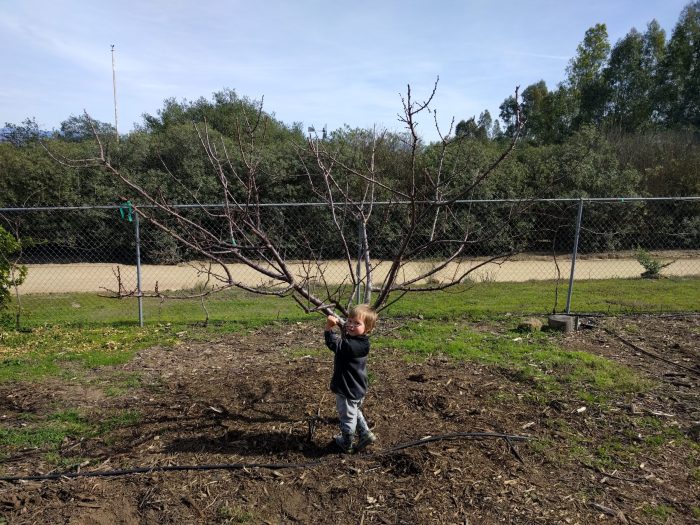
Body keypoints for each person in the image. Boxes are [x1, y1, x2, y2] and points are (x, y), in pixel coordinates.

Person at [324, 304, 378, 453]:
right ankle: (366, 433)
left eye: (357, 323)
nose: (351, 325)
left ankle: (347, 442)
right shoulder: (362, 342)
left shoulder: (352, 346)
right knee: (354, 410)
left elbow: (334, 344)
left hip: (348, 388)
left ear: (367, 329)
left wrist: (328, 328)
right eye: (349, 321)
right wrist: (344, 325)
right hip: (357, 387)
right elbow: (346, 337)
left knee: (347, 416)